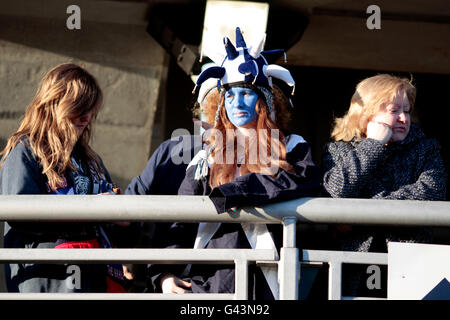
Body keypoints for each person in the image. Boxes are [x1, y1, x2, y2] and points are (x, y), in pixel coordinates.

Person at [148, 27, 322, 300]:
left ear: (265, 100)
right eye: (229, 95)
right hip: (210, 285)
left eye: (247, 93)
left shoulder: (293, 147)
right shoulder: (204, 157)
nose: (237, 102)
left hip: (272, 285)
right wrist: (163, 275)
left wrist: (235, 191)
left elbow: (301, 180)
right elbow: (177, 222)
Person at [0, 63, 127, 293]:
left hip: (95, 279)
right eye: (79, 108)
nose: (86, 117)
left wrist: (124, 216)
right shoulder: (26, 150)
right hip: (50, 281)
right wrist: (93, 209)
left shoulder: (91, 160)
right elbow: (19, 213)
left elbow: (118, 228)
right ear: (53, 103)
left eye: (90, 109)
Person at [321, 73, 447, 296]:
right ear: (366, 113)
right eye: (393, 111)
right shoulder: (337, 150)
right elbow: (335, 192)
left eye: (406, 111)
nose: (404, 119)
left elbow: (433, 191)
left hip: (412, 263)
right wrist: (373, 145)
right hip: (353, 265)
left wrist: (364, 212)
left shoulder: (426, 148)